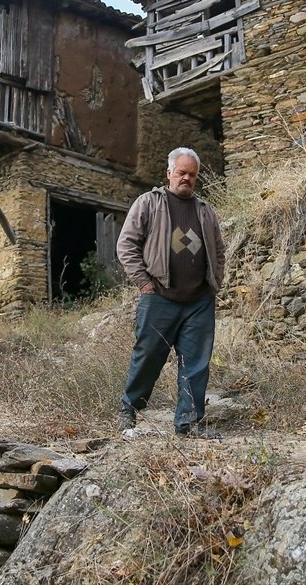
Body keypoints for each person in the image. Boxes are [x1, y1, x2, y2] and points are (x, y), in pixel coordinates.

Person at [116, 147, 225, 438]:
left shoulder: (205, 211)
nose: (186, 178)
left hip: (199, 301)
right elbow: (126, 246)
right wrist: (144, 283)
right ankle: (129, 409)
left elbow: (219, 251)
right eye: (181, 173)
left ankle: (188, 424)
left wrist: (214, 283)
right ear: (169, 173)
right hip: (159, 297)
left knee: (196, 364)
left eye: (192, 174)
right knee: (148, 356)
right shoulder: (148, 204)